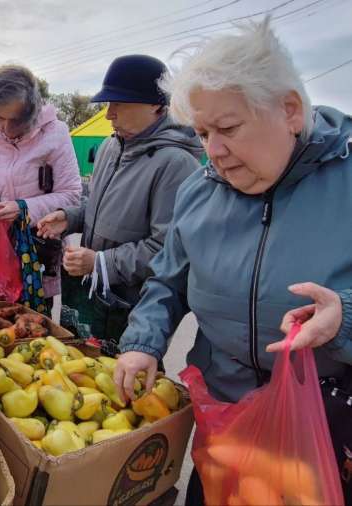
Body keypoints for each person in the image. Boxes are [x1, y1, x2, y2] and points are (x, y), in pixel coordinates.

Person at [110, 20, 352, 504]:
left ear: (289, 110)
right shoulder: (198, 192)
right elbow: (167, 283)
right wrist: (143, 343)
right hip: (224, 413)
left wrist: (344, 315)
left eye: (228, 128)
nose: (214, 151)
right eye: (201, 133)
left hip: (326, 421)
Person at [37, 55, 202, 349]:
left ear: (156, 104)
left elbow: (167, 251)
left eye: (119, 104)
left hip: (132, 307)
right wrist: (70, 217)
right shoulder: (110, 147)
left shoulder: (176, 163)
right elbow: (97, 205)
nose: (109, 114)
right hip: (90, 291)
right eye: (107, 104)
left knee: (120, 385)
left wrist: (101, 262)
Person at [0, 65, 82, 305]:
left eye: (13, 120)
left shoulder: (55, 133)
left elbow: (71, 196)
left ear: (31, 111)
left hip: (36, 253)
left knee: (33, 329)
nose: (4, 127)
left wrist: (23, 208)